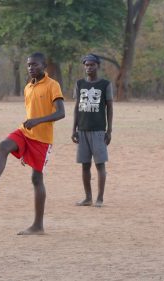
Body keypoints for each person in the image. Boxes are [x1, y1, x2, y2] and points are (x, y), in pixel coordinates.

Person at [0, 52, 65, 235]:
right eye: (29, 65)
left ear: (44, 66)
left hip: (42, 140)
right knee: (3, 146)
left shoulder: (53, 85)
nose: (31, 68)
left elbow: (61, 113)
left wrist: (38, 121)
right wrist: (31, 122)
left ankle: (38, 226)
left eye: (35, 65)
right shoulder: (27, 88)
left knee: (36, 179)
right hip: (25, 132)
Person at [71, 54, 113, 208]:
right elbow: (76, 107)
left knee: (100, 164)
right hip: (82, 129)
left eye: (92, 65)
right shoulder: (79, 83)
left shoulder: (105, 84)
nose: (89, 68)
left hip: (98, 130)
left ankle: (100, 198)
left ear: (98, 66)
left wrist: (109, 130)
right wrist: (74, 129)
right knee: (85, 165)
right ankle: (88, 197)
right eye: (86, 65)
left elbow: (110, 108)